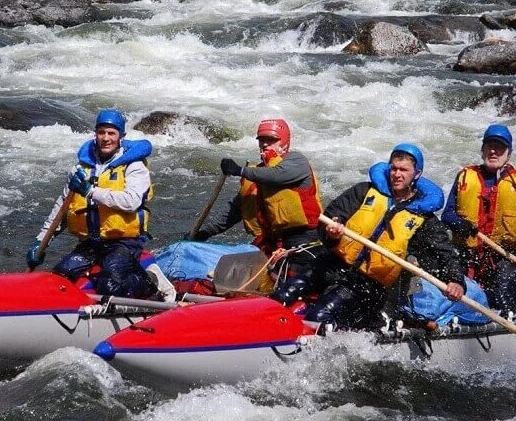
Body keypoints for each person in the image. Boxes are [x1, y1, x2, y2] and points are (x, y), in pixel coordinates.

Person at [307, 143, 465, 330]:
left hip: (370, 283)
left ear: (417, 174)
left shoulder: (423, 219)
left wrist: (455, 280)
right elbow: (332, 215)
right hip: (336, 264)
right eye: (394, 168)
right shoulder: (364, 191)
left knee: (319, 316)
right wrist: (331, 232)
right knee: (287, 292)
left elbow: (445, 252)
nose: (397, 174)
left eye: (404, 170)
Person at [25, 109, 159, 298]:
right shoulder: (81, 167)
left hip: (124, 242)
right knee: (59, 279)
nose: (106, 138)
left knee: (110, 286)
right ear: (95, 134)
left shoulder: (135, 166)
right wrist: (40, 242)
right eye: (101, 132)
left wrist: (91, 191)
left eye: (111, 133)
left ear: (121, 136)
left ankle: (150, 287)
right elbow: (62, 207)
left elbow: (131, 201)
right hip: (91, 242)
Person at [192, 118, 325, 304]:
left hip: (303, 241)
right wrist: (205, 233)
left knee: (293, 280)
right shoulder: (255, 174)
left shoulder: (296, 162)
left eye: (271, 140)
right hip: (271, 244)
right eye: (261, 139)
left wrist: (239, 170)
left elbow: (277, 175)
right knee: (232, 274)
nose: (264, 144)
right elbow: (232, 213)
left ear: (284, 142)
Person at [440, 124, 516, 316]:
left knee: (503, 301)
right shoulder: (464, 177)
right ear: (482, 150)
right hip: (467, 253)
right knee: (447, 291)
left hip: (506, 255)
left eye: (500, 147)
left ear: (508, 154)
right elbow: (447, 215)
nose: (493, 151)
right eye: (489, 146)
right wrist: (460, 224)